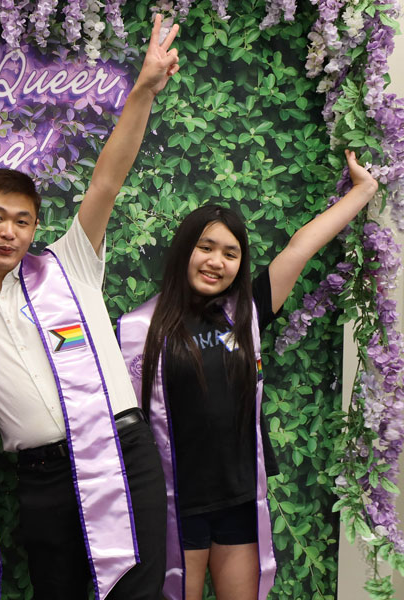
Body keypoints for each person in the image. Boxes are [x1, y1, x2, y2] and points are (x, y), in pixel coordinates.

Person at [0, 14, 180, 599]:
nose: (9, 232)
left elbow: (106, 180)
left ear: (35, 229)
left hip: (119, 455)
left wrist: (143, 88)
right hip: (41, 478)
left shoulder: (67, 264)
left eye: (22, 221)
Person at [116, 151, 378, 600]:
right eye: (206, 247)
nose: (217, 261)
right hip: (178, 506)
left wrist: (364, 190)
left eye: (231, 253)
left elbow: (300, 246)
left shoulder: (247, 313)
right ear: (184, 251)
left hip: (238, 498)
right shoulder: (143, 329)